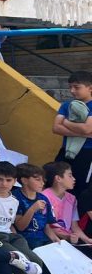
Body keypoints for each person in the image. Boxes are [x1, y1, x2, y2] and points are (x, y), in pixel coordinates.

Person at [39, 161, 92, 274]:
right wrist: (67, 238)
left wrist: (86, 239)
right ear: (58, 178)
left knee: (80, 260)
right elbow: (45, 226)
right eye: (70, 175)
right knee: (56, 259)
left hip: (67, 240)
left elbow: (74, 226)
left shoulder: (72, 198)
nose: (74, 179)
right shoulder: (45, 196)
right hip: (48, 238)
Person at [51, 70, 92, 201]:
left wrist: (65, 122)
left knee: (79, 185)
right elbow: (56, 128)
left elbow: (87, 128)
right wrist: (83, 133)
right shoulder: (66, 105)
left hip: (86, 152)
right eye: (70, 87)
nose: (72, 91)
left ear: (90, 88)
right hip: (66, 150)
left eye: (77, 87)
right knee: (56, 180)